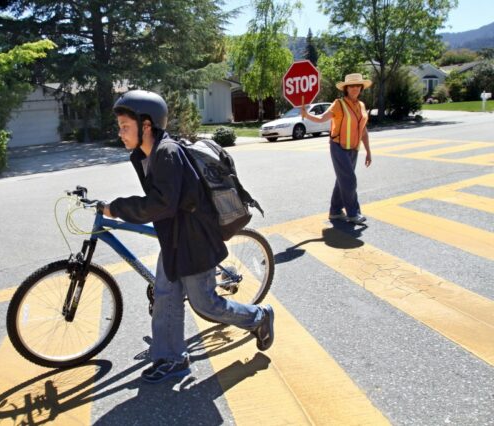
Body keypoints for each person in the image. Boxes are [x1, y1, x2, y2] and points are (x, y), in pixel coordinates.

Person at [102, 90, 274, 384]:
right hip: (174, 237)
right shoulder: (144, 153)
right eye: (119, 127)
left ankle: (259, 317)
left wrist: (117, 207)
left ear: (146, 125)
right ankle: (171, 358)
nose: (120, 133)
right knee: (166, 295)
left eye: (125, 127)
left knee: (206, 304)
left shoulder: (167, 153)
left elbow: (161, 203)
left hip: (194, 238)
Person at [301, 73, 373, 224]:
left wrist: (368, 152)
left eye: (357, 86)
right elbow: (322, 118)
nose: (354, 89)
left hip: (354, 148)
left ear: (361, 88)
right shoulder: (339, 104)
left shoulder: (361, 105)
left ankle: (335, 211)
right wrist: (306, 115)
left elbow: (363, 131)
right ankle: (353, 213)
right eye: (351, 86)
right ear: (346, 88)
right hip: (338, 147)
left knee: (342, 180)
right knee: (349, 180)